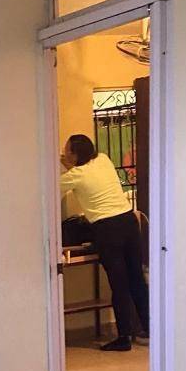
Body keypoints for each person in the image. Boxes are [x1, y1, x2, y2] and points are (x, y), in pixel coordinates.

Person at [59, 133, 149, 352]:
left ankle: (124, 337)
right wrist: (70, 165)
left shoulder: (76, 176)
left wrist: (65, 167)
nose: (63, 152)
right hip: (129, 221)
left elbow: (53, 188)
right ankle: (149, 329)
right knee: (136, 278)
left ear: (74, 155)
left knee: (119, 283)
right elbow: (87, 174)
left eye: (66, 150)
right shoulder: (104, 159)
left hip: (107, 230)